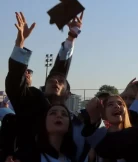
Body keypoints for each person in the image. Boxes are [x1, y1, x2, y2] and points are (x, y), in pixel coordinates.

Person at [5, 11, 85, 154]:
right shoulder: (31, 104)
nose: (55, 81)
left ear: (67, 94)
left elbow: (60, 70)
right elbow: (15, 81)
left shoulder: (76, 122)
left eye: (61, 82)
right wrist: (20, 44)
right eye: (51, 80)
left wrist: (72, 36)